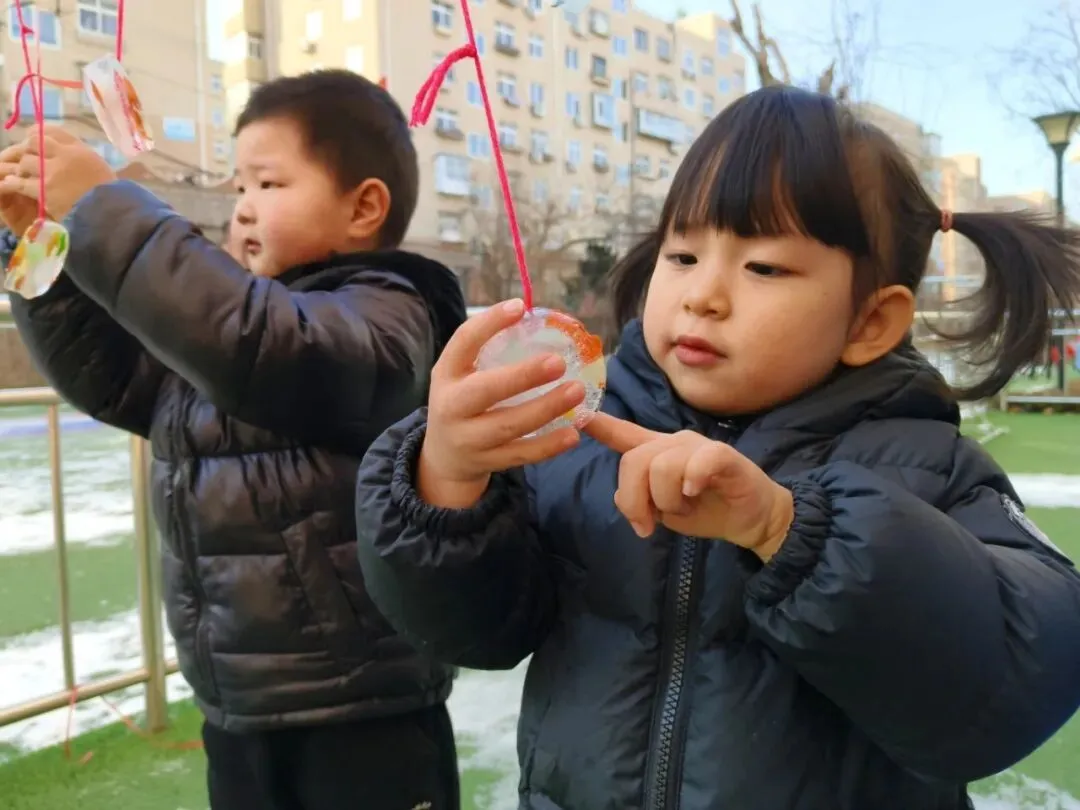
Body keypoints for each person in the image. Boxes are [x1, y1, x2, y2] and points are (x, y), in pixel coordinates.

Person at [354, 85, 1080, 809]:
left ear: (869, 322)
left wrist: (788, 530)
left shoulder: (924, 465)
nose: (703, 295)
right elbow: (477, 631)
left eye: (763, 267)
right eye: (682, 255)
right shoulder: (580, 439)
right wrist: (447, 481)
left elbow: (1023, 669)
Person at [2, 69, 466, 810]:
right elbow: (111, 379)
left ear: (363, 207)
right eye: (239, 187)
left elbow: (263, 344)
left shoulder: (389, 313)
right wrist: (42, 243)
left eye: (269, 184)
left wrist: (105, 208)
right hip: (237, 696)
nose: (244, 207)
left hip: (363, 707)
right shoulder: (224, 329)